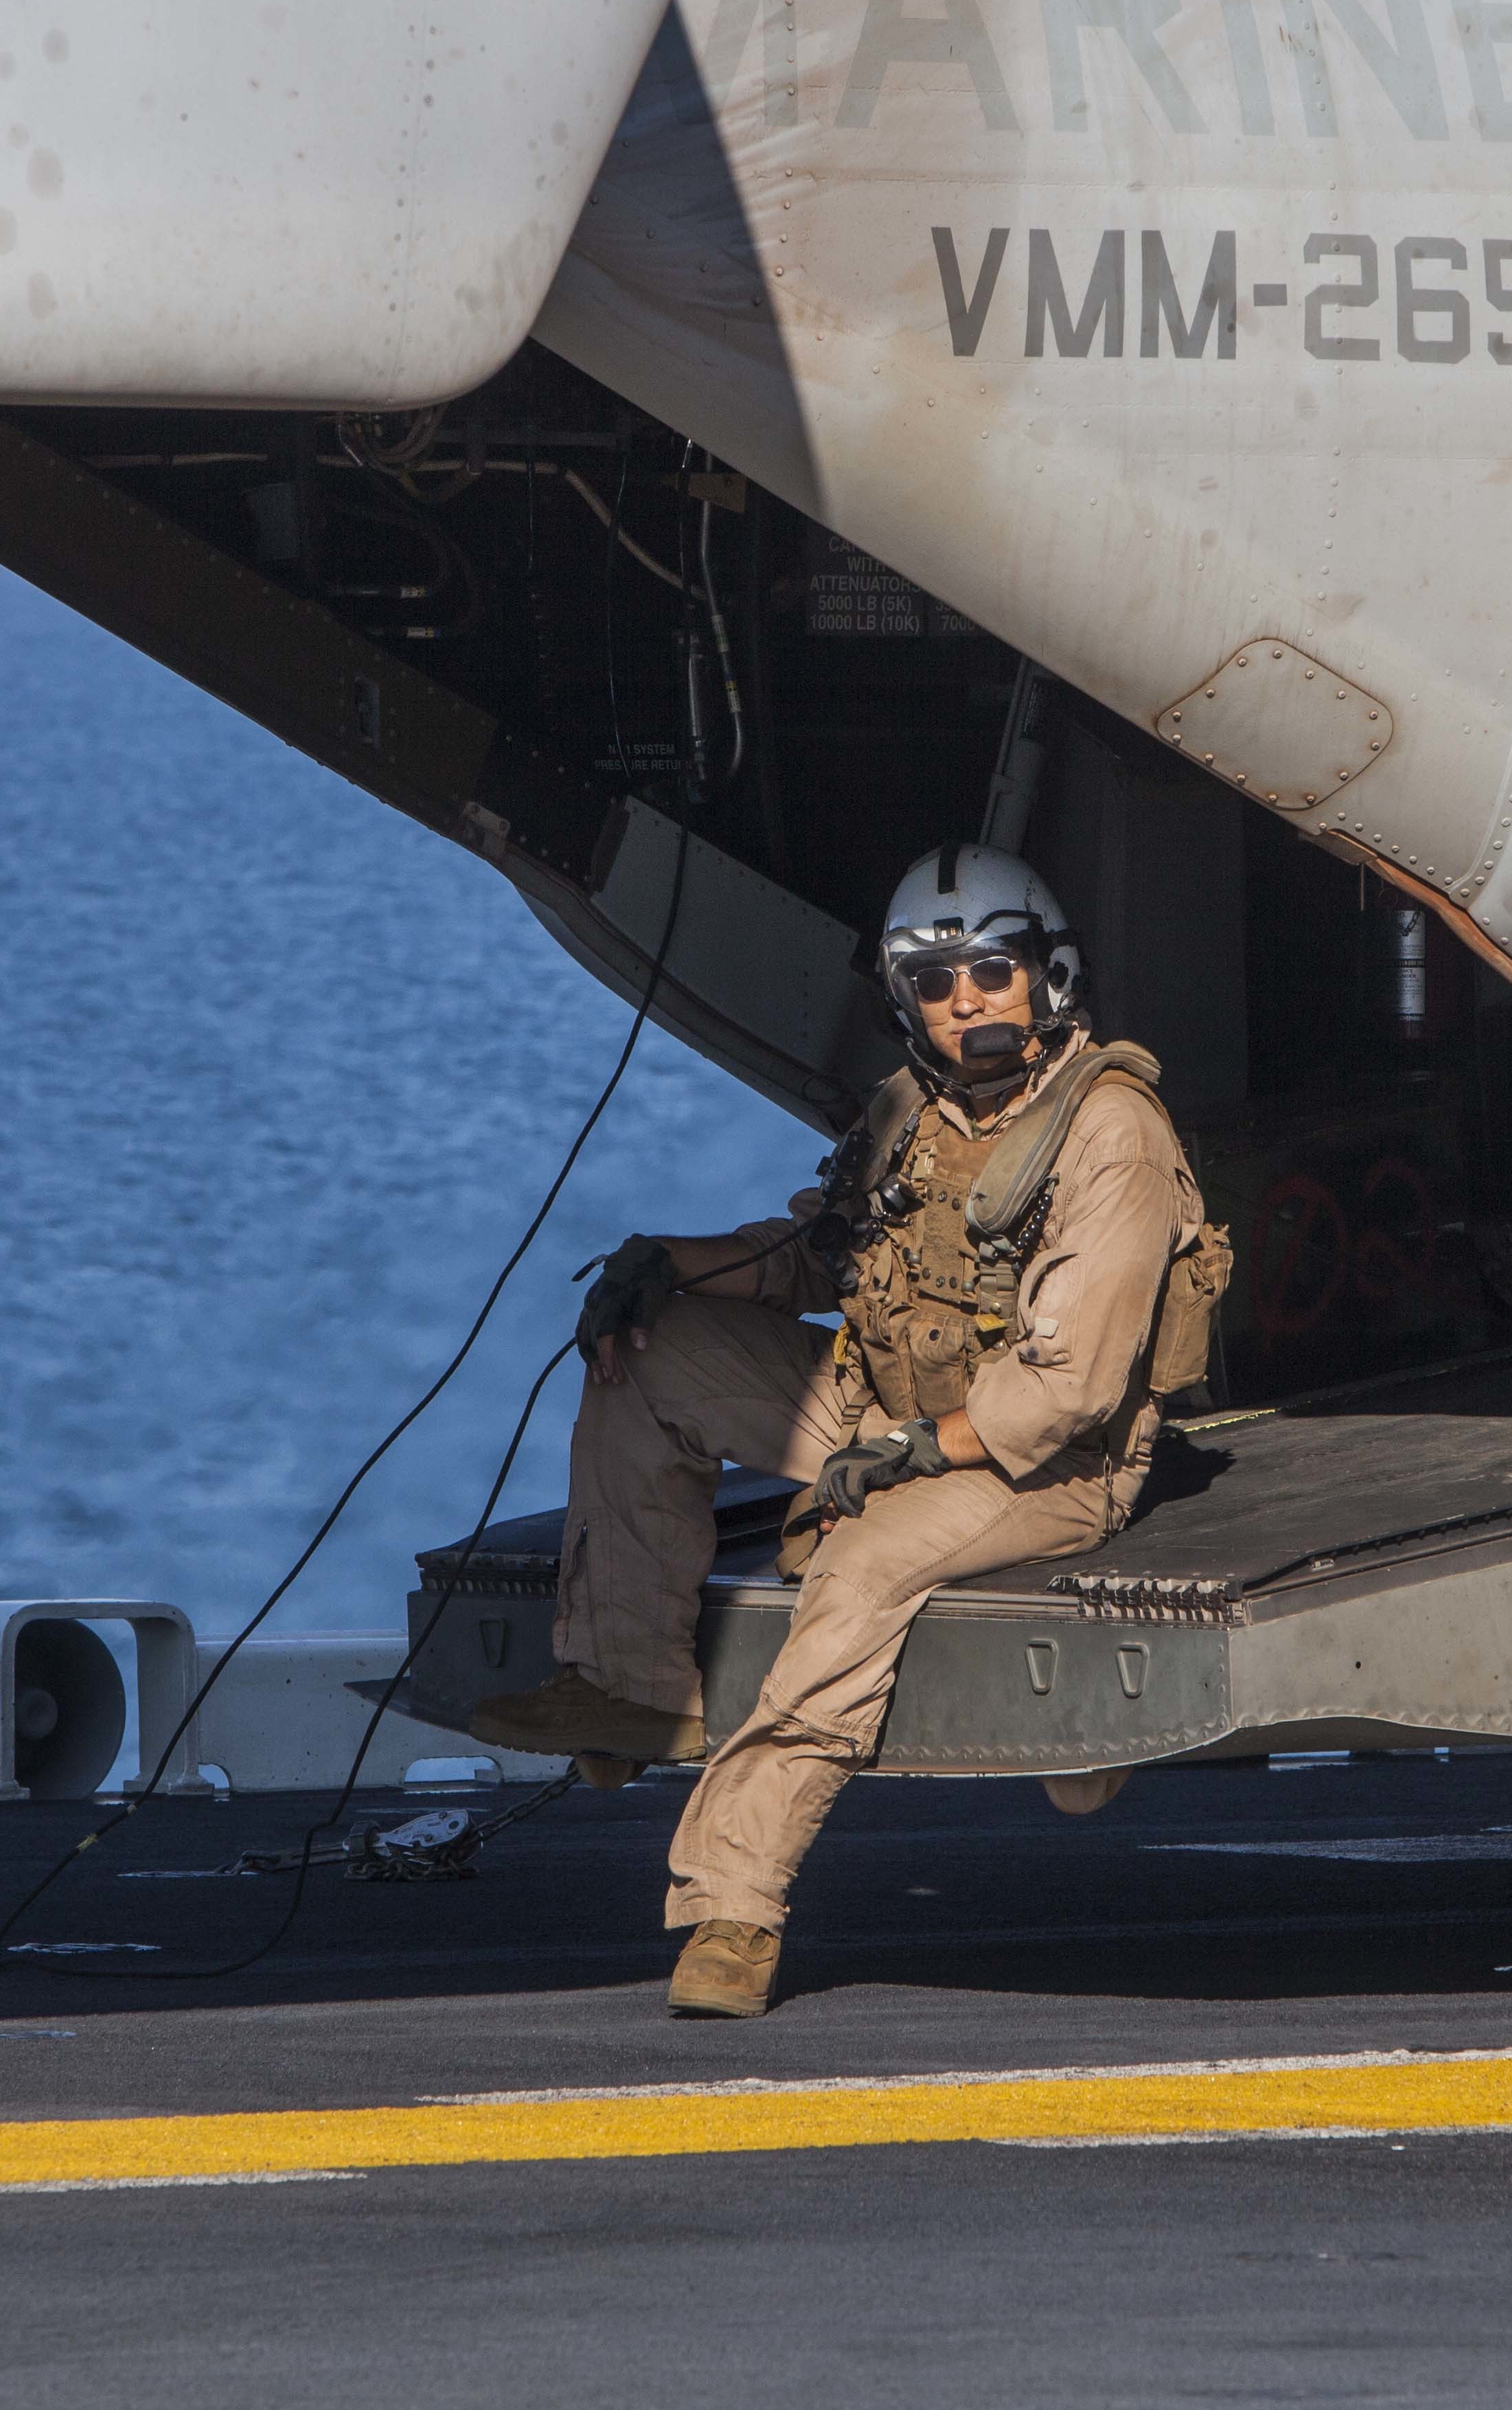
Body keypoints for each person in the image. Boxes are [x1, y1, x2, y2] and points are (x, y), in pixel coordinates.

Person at [469, 843, 1220, 2017]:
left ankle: (734, 1906)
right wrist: (668, 1265)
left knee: (859, 1565)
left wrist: (919, 1456)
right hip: (889, 1415)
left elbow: (1068, 1390)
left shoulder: (1110, 1132)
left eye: (992, 971)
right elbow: (817, 1254)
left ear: (1049, 975)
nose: (965, 999)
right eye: (935, 982)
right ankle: (624, 1689)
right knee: (646, 1356)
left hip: (1047, 1466)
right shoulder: (912, 1115)